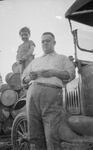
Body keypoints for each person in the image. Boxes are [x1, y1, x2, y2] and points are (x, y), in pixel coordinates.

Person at [21, 32, 75, 150]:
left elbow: (71, 74)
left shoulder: (62, 58)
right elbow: (23, 79)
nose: (45, 43)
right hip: (32, 96)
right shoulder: (35, 61)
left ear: (54, 43)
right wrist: (30, 77)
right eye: (43, 41)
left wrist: (53, 72)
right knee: (34, 133)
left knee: (51, 134)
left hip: (51, 95)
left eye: (48, 41)